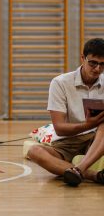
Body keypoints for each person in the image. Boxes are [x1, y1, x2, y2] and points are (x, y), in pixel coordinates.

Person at [28, 38, 104, 186]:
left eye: (102, 65)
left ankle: (78, 170)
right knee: (34, 151)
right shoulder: (60, 83)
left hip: (98, 138)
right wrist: (88, 125)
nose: (97, 69)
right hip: (68, 141)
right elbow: (60, 128)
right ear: (82, 58)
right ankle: (92, 175)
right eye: (93, 63)